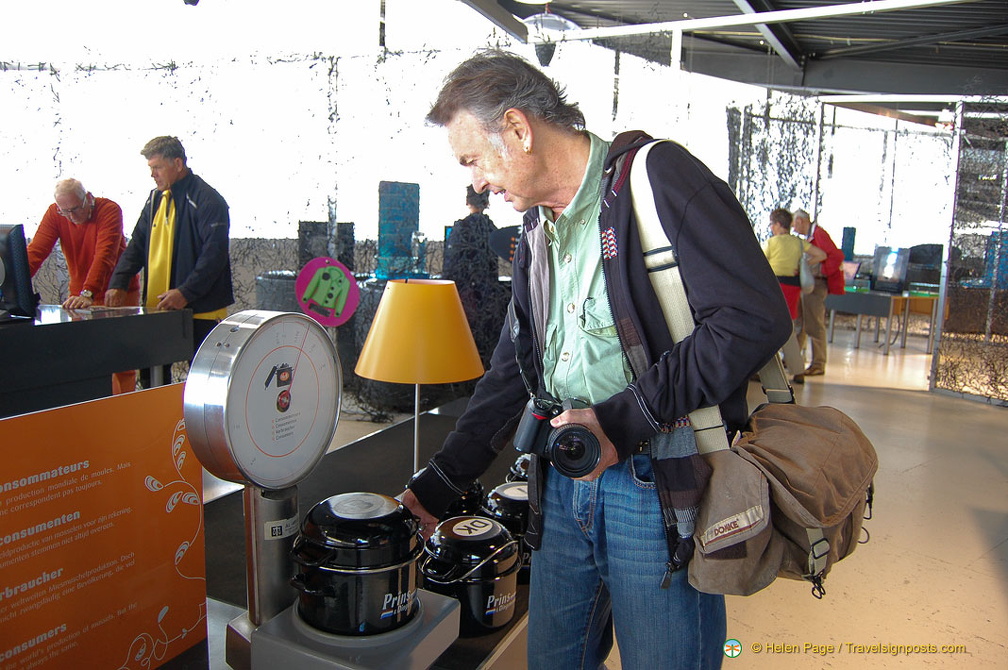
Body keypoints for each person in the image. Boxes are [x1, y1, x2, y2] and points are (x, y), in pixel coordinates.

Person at [401, 50, 791, 669]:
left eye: (473, 159)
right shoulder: (534, 229)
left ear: (519, 130)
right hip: (560, 484)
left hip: (655, 483)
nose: (474, 182)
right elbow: (515, 367)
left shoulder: (658, 179)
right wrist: (445, 480)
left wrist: (621, 421)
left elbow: (753, 320)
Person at [107, 136, 233, 383]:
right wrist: (118, 282)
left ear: (177, 163)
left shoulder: (208, 199)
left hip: (201, 310)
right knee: (152, 377)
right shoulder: (155, 199)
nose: (153, 174)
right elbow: (137, 244)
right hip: (159, 308)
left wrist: (185, 292)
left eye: (157, 167)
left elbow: (214, 255)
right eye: (150, 168)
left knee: (204, 380)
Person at [27, 178, 141, 394]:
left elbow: (105, 253)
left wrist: (88, 291)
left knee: (121, 361)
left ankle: (124, 409)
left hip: (115, 293)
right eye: (65, 212)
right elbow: (36, 252)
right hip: (79, 297)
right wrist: (13, 283)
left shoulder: (109, 209)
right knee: (86, 360)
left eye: (75, 209)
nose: (71, 217)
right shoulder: (55, 213)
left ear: (88, 198)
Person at [442, 184, 505, 369]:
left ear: (467, 201)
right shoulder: (492, 228)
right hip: (489, 295)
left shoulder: (461, 227)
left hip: (465, 295)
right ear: (487, 201)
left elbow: (452, 266)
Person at [763, 207, 826, 383]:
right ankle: (798, 370)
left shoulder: (771, 243)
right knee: (789, 328)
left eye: (771, 224)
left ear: (777, 224)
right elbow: (821, 255)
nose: (771, 228)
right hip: (793, 289)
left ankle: (765, 370)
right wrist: (803, 263)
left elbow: (759, 263)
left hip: (775, 287)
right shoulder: (798, 243)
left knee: (768, 328)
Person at [791, 208, 844, 376]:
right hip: (809, 284)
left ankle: (818, 363)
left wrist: (817, 268)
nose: (794, 228)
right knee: (801, 322)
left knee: (814, 323)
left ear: (800, 221)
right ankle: (795, 359)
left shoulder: (819, 234)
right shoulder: (810, 237)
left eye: (794, 224)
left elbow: (835, 256)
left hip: (817, 284)